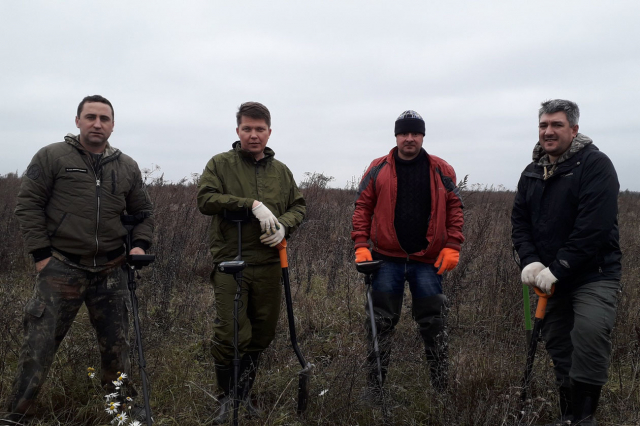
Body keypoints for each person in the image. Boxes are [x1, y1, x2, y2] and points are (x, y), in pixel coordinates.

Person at [4, 95, 154, 424]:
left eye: (104, 118)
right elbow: (28, 206)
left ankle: (122, 415)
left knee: (117, 350)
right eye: (90, 117)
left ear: (113, 125)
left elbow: (142, 213)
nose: (97, 123)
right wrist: (42, 256)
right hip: (62, 267)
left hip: (111, 270)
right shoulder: (51, 157)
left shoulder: (127, 166)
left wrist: (139, 246)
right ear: (77, 121)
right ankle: (17, 414)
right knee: (39, 347)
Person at [512, 99, 621, 425]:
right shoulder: (532, 171)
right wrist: (530, 261)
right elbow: (520, 222)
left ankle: (584, 417)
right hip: (548, 276)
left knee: (588, 334)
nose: (548, 131)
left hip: (593, 273)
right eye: (543, 125)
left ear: (573, 130)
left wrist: (559, 268)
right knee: (558, 342)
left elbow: (594, 226)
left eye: (556, 125)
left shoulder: (595, 165)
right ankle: (567, 414)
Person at [197, 102, 306, 423]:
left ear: (269, 132)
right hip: (231, 263)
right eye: (247, 129)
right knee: (231, 333)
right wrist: (251, 204)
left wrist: (285, 223)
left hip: (270, 264)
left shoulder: (281, 172)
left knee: (261, 334)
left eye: (260, 129)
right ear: (238, 131)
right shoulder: (220, 164)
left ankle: (244, 396)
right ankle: (225, 399)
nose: (253, 135)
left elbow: (299, 206)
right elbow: (205, 199)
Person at [351, 110, 464, 399]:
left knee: (433, 323)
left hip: (427, 261)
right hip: (385, 259)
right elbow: (362, 207)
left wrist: (453, 245)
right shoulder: (378, 168)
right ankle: (375, 388)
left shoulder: (441, 169)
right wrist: (361, 244)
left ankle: (440, 389)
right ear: (396, 136)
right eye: (404, 133)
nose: (409, 138)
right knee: (380, 323)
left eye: (415, 133)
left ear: (423, 136)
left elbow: (455, 208)